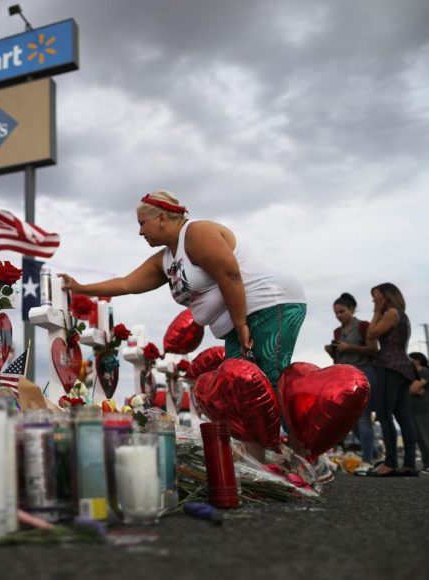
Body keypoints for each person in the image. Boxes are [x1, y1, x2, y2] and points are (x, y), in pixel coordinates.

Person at [58, 190, 307, 459]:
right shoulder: (165, 259)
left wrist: (240, 323)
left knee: (269, 377)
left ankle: (302, 456)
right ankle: (261, 461)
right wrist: (81, 288)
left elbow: (230, 274)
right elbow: (127, 283)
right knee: (238, 390)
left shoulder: (197, 233)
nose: (141, 232)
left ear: (163, 218)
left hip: (271, 303)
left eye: (142, 223)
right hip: (243, 318)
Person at [366, 283, 418, 477]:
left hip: (390, 365)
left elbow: (371, 334)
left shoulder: (391, 313)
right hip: (403, 366)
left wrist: (376, 312)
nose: (374, 301)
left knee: (384, 413)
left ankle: (390, 463)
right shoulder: (402, 315)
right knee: (403, 416)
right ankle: (410, 464)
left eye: (376, 297)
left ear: (386, 297)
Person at [324, 293, 379, 474]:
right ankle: (375, 453)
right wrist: (332, 351)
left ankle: (368, 460)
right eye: (336, 312)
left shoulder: (363, 326)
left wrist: (349, 347)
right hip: (345, 377)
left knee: (363, 418)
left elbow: (373, 350)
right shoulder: (337, 332)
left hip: (364, 373)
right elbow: (338, 359)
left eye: (342, 311)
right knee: (350, 421)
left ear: (352, 309)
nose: (339, 315)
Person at [407, 352, 429, 474]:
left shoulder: (424, 371)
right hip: (414, 410)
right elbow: (412, 389)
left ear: (418, 360)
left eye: (410, 358)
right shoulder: (413, 375)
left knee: (426, 437)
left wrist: (411, 389)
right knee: (421, 439)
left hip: (423, 410)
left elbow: (411, 389)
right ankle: (427, 465)